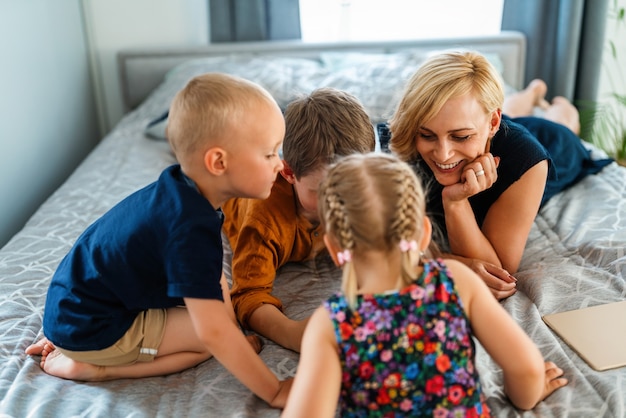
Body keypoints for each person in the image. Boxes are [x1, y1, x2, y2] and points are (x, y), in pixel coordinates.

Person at [25, 73, 292, 408]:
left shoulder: (183, 190)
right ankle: (95, 369)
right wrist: (275, 389)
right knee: (208, 341)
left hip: (73, 302)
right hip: (92, 326)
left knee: (222, 324)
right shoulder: (188, 230)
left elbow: (213, 277)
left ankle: (85, 348)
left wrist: (232, 329)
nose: (280, 164)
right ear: (219, 162)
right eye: (269, 153)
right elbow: (214, 332)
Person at [281, 152, 567, 417]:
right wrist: (530, 396)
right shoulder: (455, 280)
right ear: (423, 234)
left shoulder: (331, 323)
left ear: (334, 248)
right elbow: (527, 368)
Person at [383, 51, 612, 300]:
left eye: (460, 136)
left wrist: (456, 202)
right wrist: (455, 263)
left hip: (549, 140)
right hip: (496, 126)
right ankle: (531, 93)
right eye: (427, 135)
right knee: (511, 116)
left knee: (564, 128)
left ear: (492, 123)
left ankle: (552, 101)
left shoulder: (526, 159)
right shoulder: (398, 142)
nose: (443, 154)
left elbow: (497, 273)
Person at [222, 87, 376, 353]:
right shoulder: (264, 220)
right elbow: (247, 295)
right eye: (324, 193)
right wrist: (293, 334)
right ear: (289, 173)